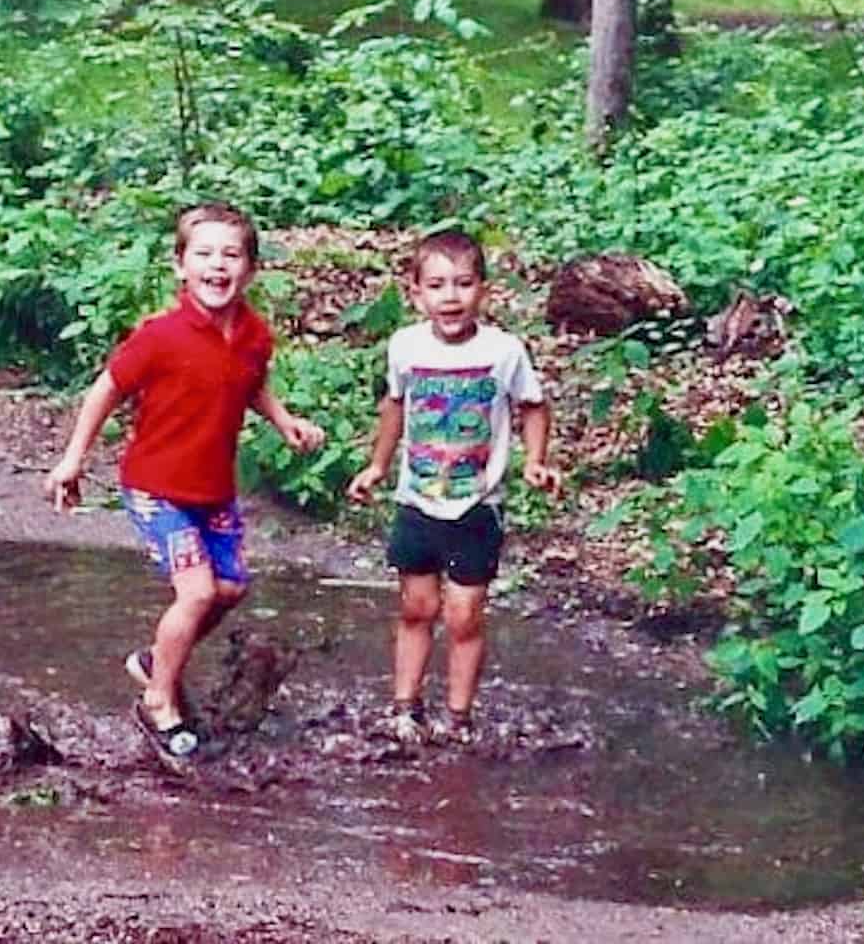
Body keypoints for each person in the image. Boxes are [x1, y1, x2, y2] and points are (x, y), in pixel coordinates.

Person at [45, 202, 324, 764]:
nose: (217, 265)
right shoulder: (159, 337)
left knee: (229, 590)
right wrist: (72, 460)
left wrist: (284, 420)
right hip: (156, 486)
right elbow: (106, 390)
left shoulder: (252, 336)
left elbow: (249, 383)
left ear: (250, 270)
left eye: (231, 255)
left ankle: (155, 660)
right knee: (195, 592)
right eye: (203, 254)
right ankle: (158, 701)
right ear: (180, 266)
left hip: (212, 489)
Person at [347, 228, 560, 743]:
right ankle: (405, 707)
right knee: (415, 607)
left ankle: (459, 718)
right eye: (437, 285)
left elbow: (533, 406)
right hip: (417, 500)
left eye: (463, 284)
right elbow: (395, 406)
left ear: (483, 290)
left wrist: (535, 461)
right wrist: (377, 465)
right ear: (416, 292)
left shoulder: (503, 351)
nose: (451, 296)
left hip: (477, 505)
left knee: (464, 615)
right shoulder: (405, 346)